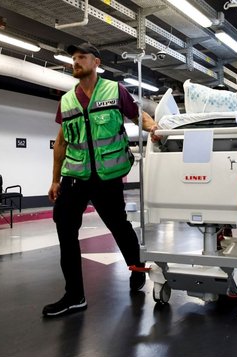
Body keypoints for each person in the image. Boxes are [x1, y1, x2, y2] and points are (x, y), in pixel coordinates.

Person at [42, 43, 158, 317]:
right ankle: (74, 295)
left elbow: (136, 115)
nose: (75, 62)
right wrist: (55, 180)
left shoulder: (114, 90)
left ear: (96, 62)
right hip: (76, 176)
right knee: (64, 223)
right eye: (73, 59)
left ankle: (137, 267)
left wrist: (154, 128)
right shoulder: (67, 100)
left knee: (118, 225)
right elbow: (61, 143)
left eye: (81, 58)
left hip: (107, 177)